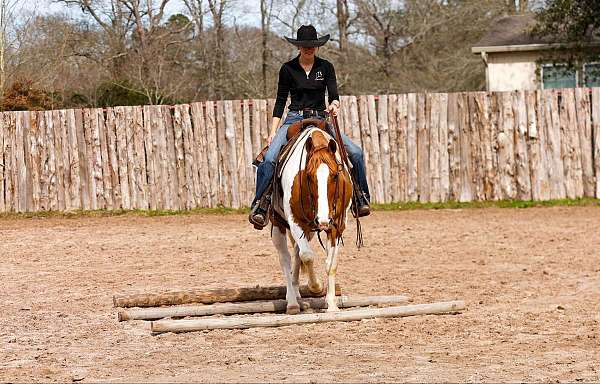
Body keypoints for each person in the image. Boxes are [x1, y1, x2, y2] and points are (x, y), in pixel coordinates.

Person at [249, 24, 371, 229]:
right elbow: (280, 102)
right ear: (298, 47)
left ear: (317, 46)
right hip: (294, 118)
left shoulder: (326, 67)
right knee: (269, 159)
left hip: (321, 119)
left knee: (356, 153)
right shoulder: (287, 69)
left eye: (312, 45)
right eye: (305, 45)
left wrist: (334, 105)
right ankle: (261, 204)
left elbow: (334, 97)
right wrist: (272, 132)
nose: (309, 48)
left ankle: (361, 198)